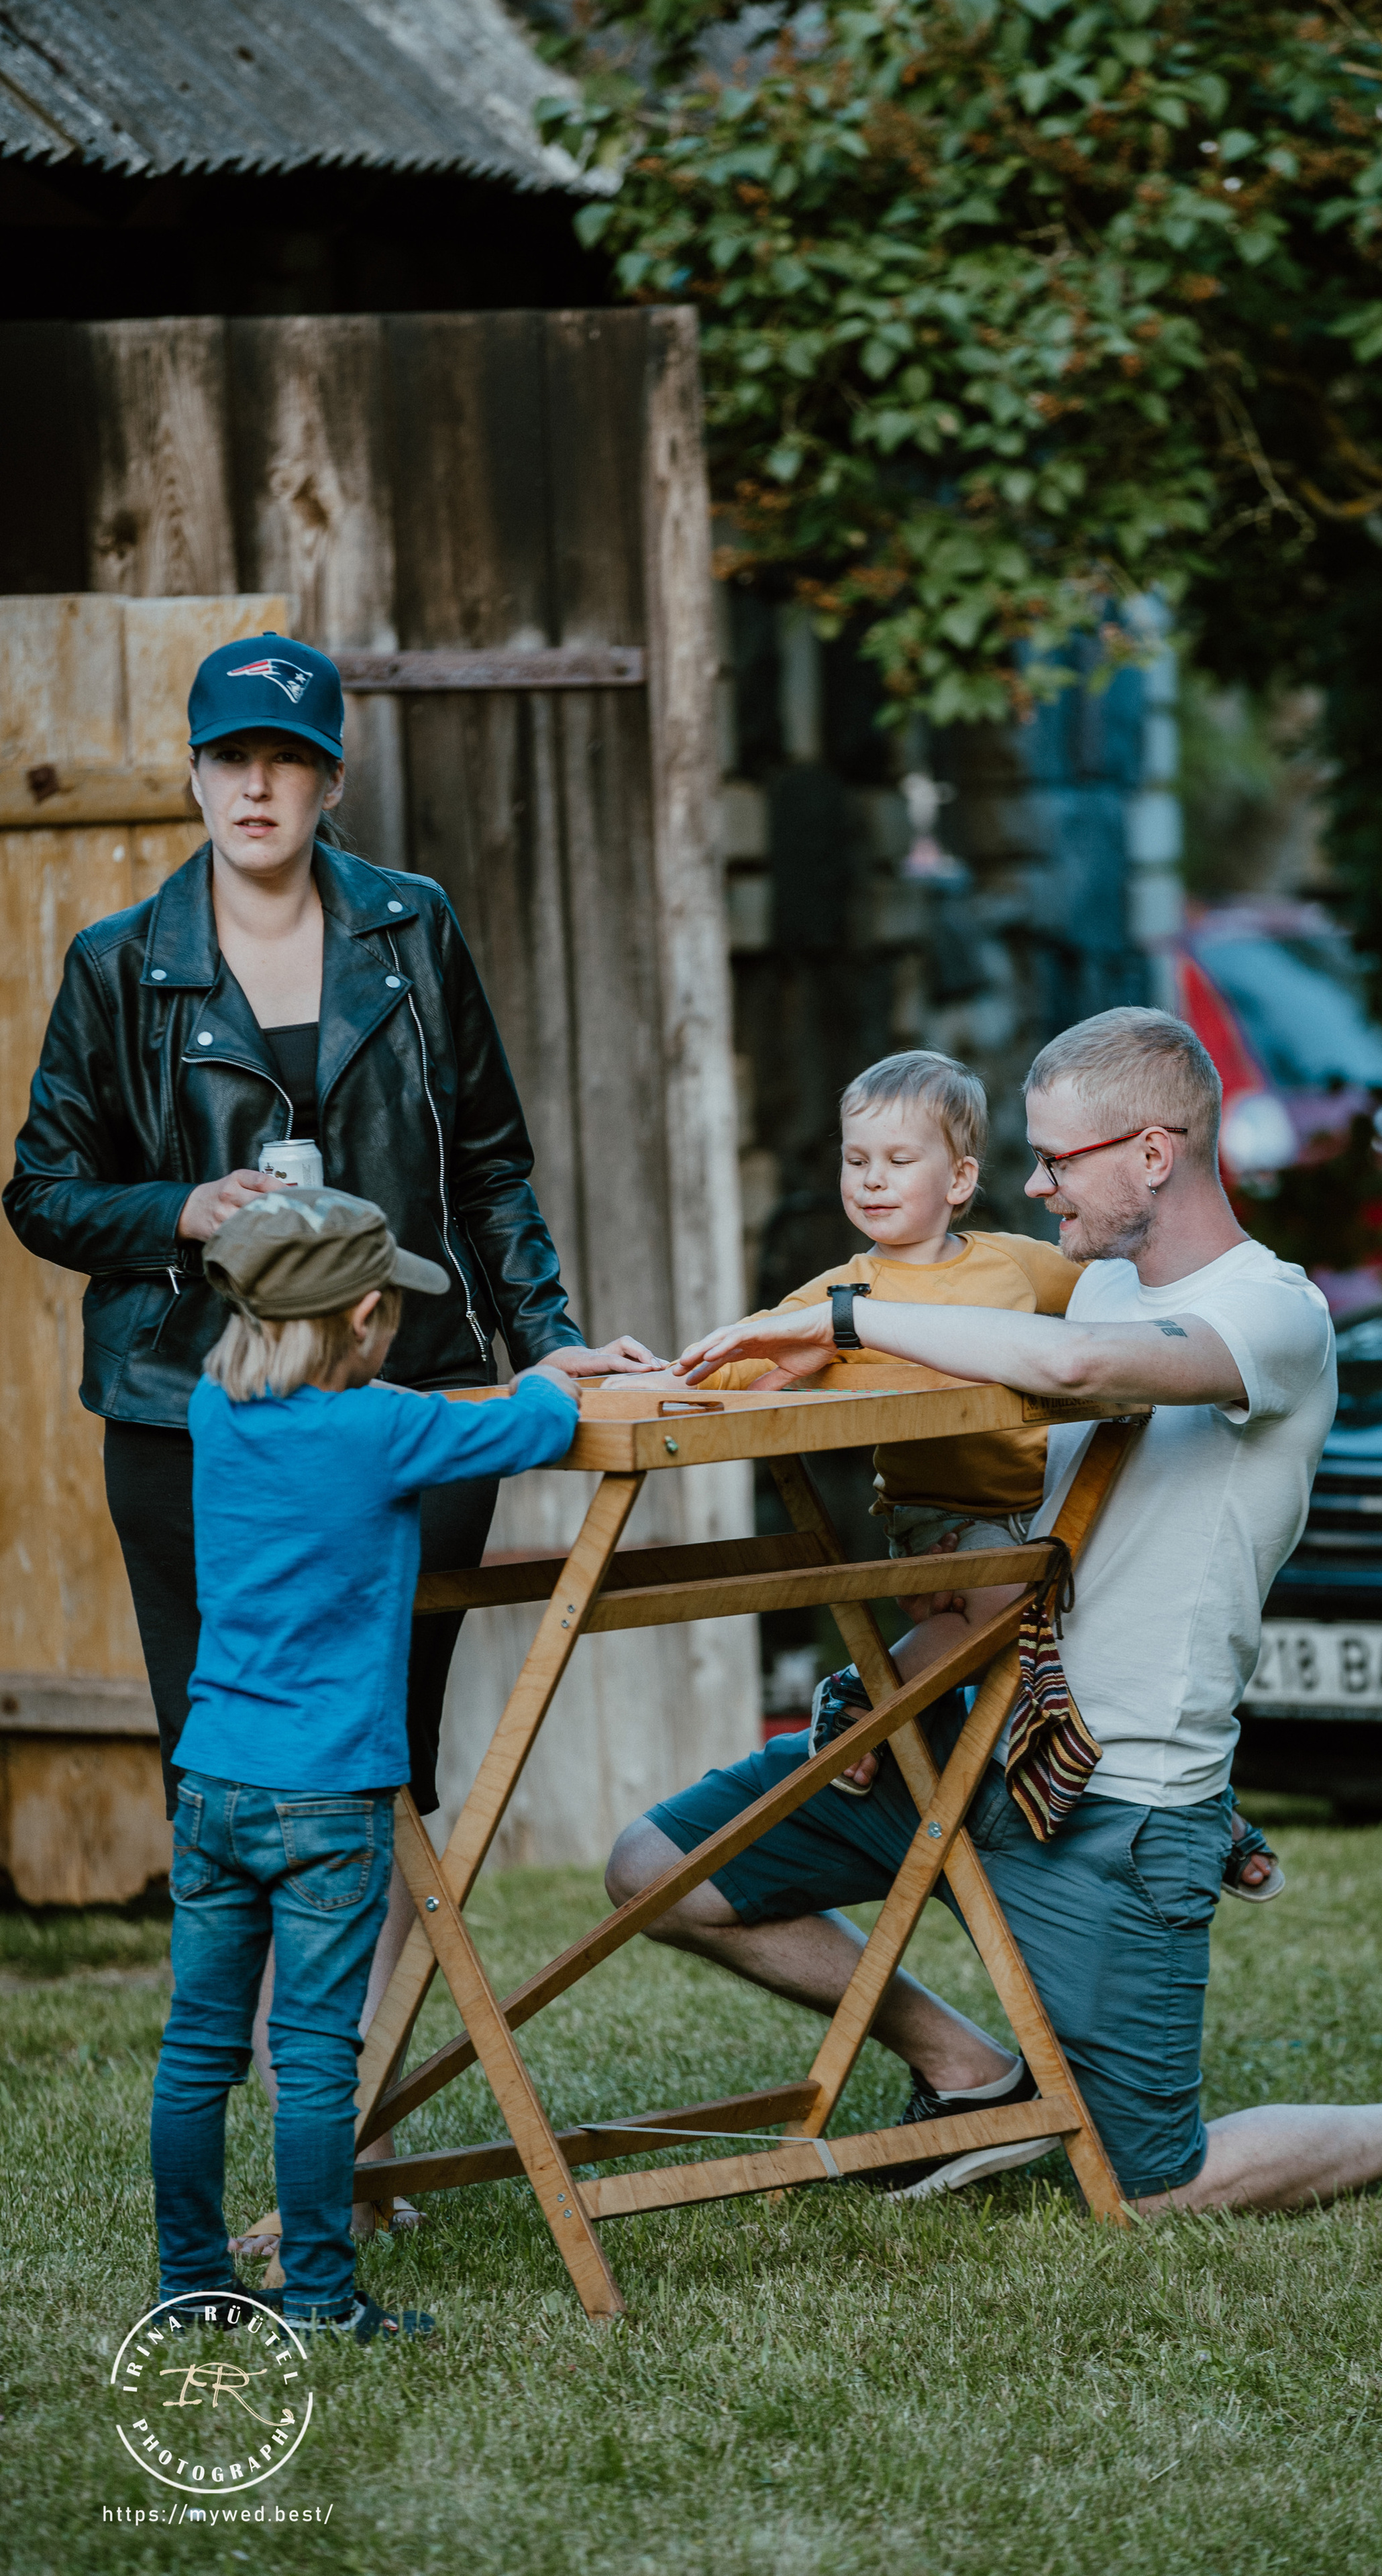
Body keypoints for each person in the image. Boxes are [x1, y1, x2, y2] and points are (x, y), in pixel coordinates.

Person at [608, 1007, 1382, 2211]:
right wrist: (689, 1379)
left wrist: (844, 1310)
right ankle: (969, 2074)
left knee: (1149, 2185)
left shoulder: (1274, 1315)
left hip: (1118, 1793)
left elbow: (1093, 1371)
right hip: (967, 1726)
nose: (1034, 1188)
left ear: (1153, 1153)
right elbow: (1004, 1423)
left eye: (1058, 1160)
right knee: (660, 1868)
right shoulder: (1082, 1296)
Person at [3, 631, 659, 2229]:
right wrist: (181, 1207)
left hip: (404, 1402)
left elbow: (491, 1160)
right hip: (192, 1422)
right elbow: (41, 1189)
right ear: (193, 772)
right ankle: (252, 2145)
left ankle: (341, 2135)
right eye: (231, 757)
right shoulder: (119, 960)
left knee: (377, 1775)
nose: (257, 784)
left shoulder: (409, 926)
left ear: (328, 779)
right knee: (226, 1764)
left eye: (286, 760)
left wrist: (552, 1345)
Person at [676, 1046, 1277, 1891]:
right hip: (941, 1513)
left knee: (1090, 1643)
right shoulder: (845, 1289)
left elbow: (1113, 1315)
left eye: (896, 1162)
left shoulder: (1013, 1264)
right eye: (855, 1162)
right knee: (1012, 1610)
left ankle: (1192, 1811)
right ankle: (864, 1694)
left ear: (959, 1179)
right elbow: (753, 1349)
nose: (871, 1182)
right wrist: (671, 1375)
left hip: (1036, 1510)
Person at [153, 1189, 580, 2335]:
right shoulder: (386, 1432)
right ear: (365, 1319)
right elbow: (542, 1424)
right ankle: (327, 2295)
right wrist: (557, 1369)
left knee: (199, 2047)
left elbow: (318, 1417)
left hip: (213, 1781)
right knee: (313, 2053)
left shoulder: (211, 1410)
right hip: (329, 1794)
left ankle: (190, 2282)